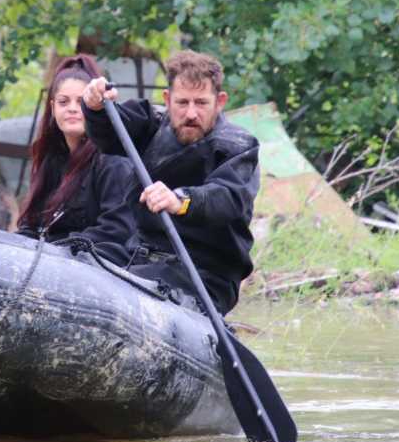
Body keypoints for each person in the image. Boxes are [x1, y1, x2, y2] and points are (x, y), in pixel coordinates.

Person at [80, 50, 259, 314]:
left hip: (204, 274)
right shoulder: (150, 122)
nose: (190, 113)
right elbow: (111, 129)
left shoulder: (239, 147)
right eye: (182, 102)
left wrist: (181, 201)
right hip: (140, 258)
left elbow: (228, 198)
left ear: (220, 102)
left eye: (201, 103)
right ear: (167, 99)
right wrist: (94, 106)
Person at [15, 55, 140, 267]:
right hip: (49, 263)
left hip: (99, 269)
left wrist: (55, 252)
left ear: (95, 106)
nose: (72, 108)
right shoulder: (52, 159)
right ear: (53, 108)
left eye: (81, 102)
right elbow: (32, 224)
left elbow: (116, 231)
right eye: (64, 102)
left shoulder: (113, 160)